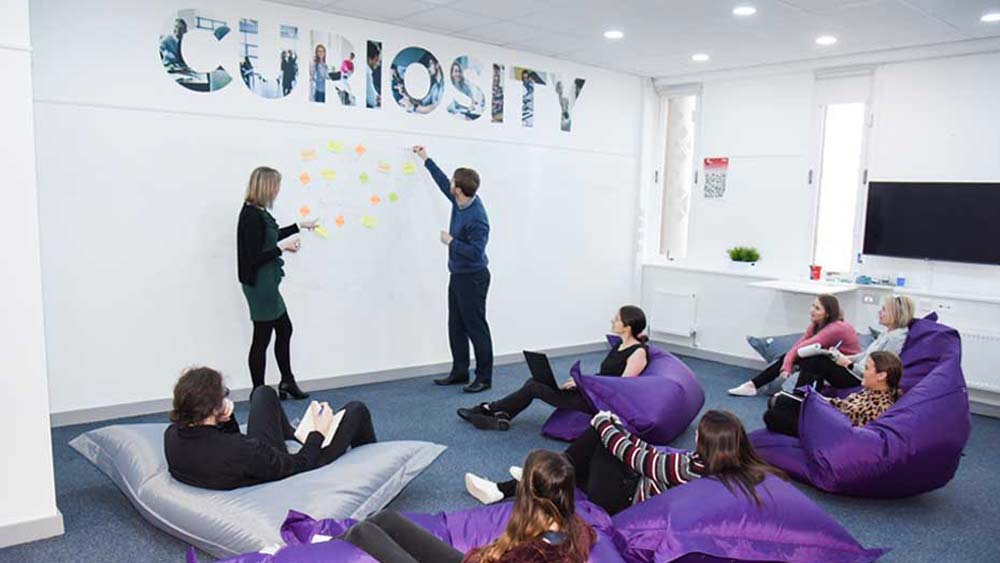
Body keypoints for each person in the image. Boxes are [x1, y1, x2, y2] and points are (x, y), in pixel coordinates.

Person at [465, 410, 782, 516]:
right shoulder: (717, 465)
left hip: (621, 499)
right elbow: (652, 457)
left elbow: (635, 457)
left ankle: (517, 483)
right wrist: (619, 428)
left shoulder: (688, 468)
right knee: (581, 458)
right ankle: (534, 478)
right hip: (630, 485)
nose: (695, 433)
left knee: (600, 442)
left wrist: (604, 423)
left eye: (700, 432)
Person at [342, 450, 595, 563]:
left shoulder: (530, 554)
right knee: (385, 518)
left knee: (364, 531)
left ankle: (319, 548)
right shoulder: (579, 527)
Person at [163, 367, 377, 490]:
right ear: (214, 405)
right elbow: (299, 465)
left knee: (263, 392)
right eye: (223, 393)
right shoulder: (242, 449)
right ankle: (374, 469)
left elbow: (222, 446)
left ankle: (294, 435)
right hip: (281, 472)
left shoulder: (172, 436)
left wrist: (226, 420)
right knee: (356, 410)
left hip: (250, 462)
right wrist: (317, 433)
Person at [457, 306, 649, 431]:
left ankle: (488, 409)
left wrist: (585, 383)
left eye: (616, 319)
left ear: (627, 326)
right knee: (534, 381)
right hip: (590, 391)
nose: (612, 321)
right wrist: (582, 383)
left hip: (596, 402)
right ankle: (503, 413)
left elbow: (620, 388)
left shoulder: (637, 353)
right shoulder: (619, 345)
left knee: (535, 387)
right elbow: (606, 376)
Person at [412, 145, 494, 393]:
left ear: (458, 189)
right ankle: (460, 372)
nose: (450, 183)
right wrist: (426, 157)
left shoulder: (477, 217)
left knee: (475, 327)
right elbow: (440, 181)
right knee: (456, 325)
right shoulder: (459, 200)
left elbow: (476, 252)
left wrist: (451, 242)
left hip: (474, 278)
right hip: (458, 275)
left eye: (453, 182)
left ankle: (484, 378)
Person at [237, 166, 316, 398]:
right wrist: (283, 248)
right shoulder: (251, 215)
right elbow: (254, 257)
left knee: (284, 328)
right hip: (260, 286)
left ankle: (286, 382)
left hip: (268, 283)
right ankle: (259, 392)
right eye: (277, 186)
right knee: (261, 338)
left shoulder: (258, 212)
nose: (278, 191)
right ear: (267, 187)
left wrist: (299, 227)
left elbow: (268, 238)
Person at [728, 294, 861, 397]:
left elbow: (800, 350)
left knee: (812, 359)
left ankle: (798, 395)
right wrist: (787, 366)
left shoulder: (836, 328)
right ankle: (754, 385)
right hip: (832, 365)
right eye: (813, 306)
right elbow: (797, 347)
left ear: (827, 314)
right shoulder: (815, 325)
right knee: (804, 356)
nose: (811, 310)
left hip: (849, 372)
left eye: (817, 308)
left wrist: (787, 367)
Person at [763, 351, 903, 437]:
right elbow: (840, 404)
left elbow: (849, 432)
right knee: (780, 401)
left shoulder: (879, 407)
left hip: (825, 430)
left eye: (866, 368)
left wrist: (817, 408)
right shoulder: (869, 392)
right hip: (823, 416)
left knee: (773, 413)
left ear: (881, 376)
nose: (863, 373)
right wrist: (817, 399)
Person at [795, 294, 915, 391]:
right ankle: (804, 395)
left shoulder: (895, 339)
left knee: (817, 361)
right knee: (817, 357)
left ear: (896, 314)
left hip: (859, 378)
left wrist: (847, 364)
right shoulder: (888, 333)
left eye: (884, 310)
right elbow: (865, 355)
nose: (879, 312)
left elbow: (877, 370)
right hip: (856, 370)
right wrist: (841, 357)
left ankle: (798, 397)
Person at [366, 42, 381, 108]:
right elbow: (374, 102)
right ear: (370, 59)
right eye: (376, 60)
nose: (377, 63)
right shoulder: (369, 74)